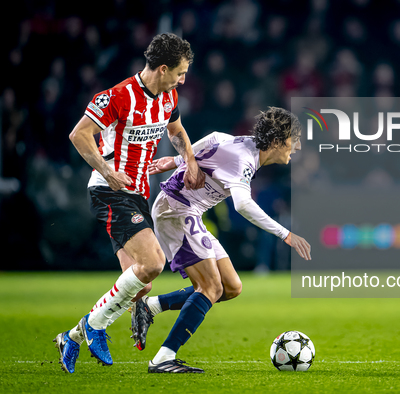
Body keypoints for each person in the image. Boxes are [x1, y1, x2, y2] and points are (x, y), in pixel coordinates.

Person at [53, 33, 205, 374]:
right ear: (162, 68)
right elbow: (78, 134)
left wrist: (190, 161)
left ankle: (74, 336)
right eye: (179, 73)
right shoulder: (118, 97)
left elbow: (177, 132)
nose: (183, 80)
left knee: (141, 285)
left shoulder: (168, 97)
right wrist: (107, 170)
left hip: (137, 195)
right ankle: (95, 328)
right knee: (153, 262)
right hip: (109, 191)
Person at [132, 107, 311, 373]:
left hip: (189, 212)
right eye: (292, 140)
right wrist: (285, 233)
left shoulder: (245, 144)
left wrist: (178, 159)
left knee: (230, 287)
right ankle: (163, 358)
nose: (295, 147)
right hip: (177, 211)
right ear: (275, 141)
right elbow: (243, 205)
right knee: (211, 288)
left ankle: (151, 306)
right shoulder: (245, 161)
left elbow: (214, 139)